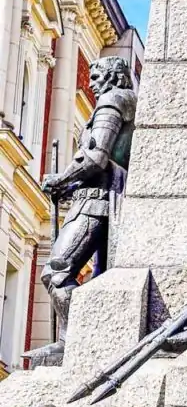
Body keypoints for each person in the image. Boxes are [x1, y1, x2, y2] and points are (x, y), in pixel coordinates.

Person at [28, 56, 136, 364]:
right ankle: (76, 341)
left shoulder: (113, 101)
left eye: (96, 76)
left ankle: (78, 343)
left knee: (57, 271)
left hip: (95, 202)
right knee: (95, 277)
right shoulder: (127, 101)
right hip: (100, 198)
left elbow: (96, 157)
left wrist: (60, 179)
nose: (90, 83)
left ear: (113, 77)